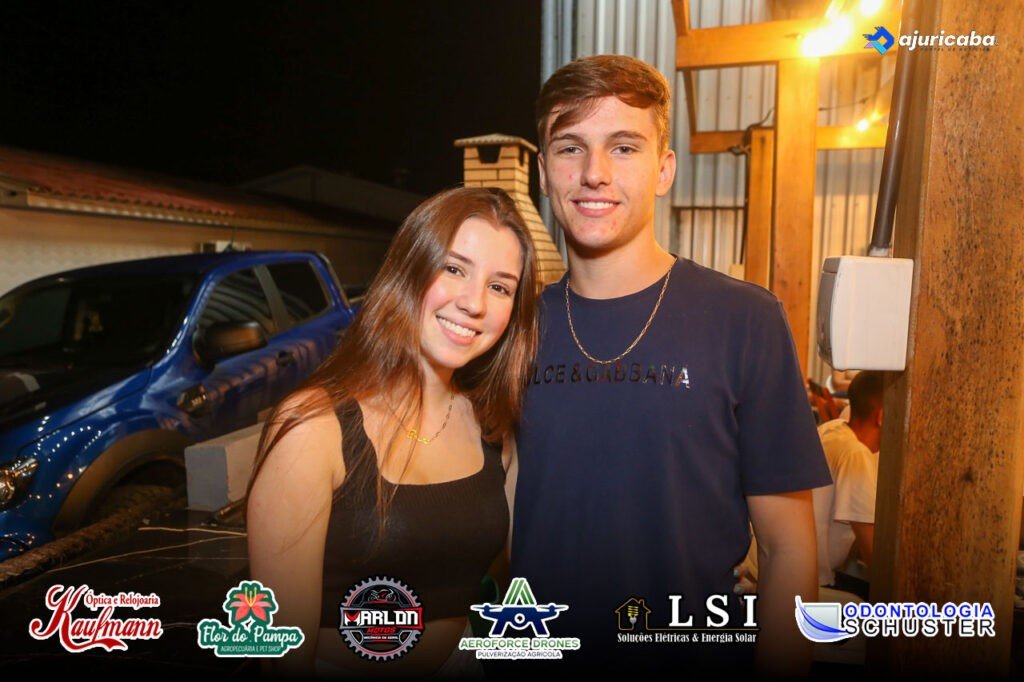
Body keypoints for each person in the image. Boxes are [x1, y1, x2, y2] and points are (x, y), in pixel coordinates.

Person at [508, 55, 832, 675]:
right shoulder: (513, 325)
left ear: (664, 170)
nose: (595, 173)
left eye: (624, 147)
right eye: (571, 148)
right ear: (545, 173)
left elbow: (789, 550)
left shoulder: (745, 319)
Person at [247, 186, 539, 678]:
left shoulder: (492, 426)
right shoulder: (313, 427)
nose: (474, 303)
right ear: (409, 269)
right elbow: (282, 652)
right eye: (453, 269)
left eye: (500, 287)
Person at [813, 370, 884, 600]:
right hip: (807, 579)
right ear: (882, 416)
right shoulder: (856, 455)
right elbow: (874, 556)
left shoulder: (832, 428)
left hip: (780, 564)